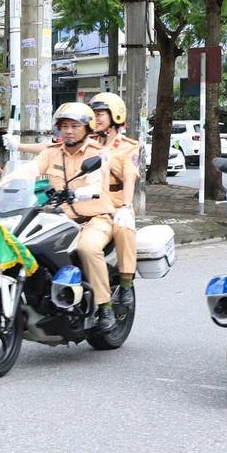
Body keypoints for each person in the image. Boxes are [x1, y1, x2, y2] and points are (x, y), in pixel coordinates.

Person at [28, 102, 124, 327]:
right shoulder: (51, 153)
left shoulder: (98, 154)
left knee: (87, 248)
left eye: (74, 126)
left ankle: (104, 308)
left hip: (96, 218)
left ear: (87, 128)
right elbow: (29, 170)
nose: (68, 130)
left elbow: (96, 178)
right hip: (61, 217)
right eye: (64, 126)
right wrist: (1, 185)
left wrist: (85, 192)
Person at [88, 92, 142, 308]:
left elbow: (130, 178)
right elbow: (55, 152)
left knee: (124, 228)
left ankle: (126, 282)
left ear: (115, 117)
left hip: (115, 206)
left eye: (100, 114)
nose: (96, 118)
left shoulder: (128, 146)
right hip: (87, 205)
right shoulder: (88, 142)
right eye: (93, 114)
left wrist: (127, 207)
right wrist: (19, 147)